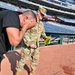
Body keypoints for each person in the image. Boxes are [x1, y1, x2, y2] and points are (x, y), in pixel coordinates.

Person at [15, 7, 50, 75]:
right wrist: (29, 43)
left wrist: (46, 38)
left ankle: (32, 72)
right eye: (42, 14)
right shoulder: (31, 21)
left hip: (36, 46)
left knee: (35, 61)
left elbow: (43, 34)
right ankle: (17, 73)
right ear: (38, 12)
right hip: (28, 46)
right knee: (23, 61)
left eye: (43, 15)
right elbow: (24, 32)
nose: (42, 17)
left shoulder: (41, 24)